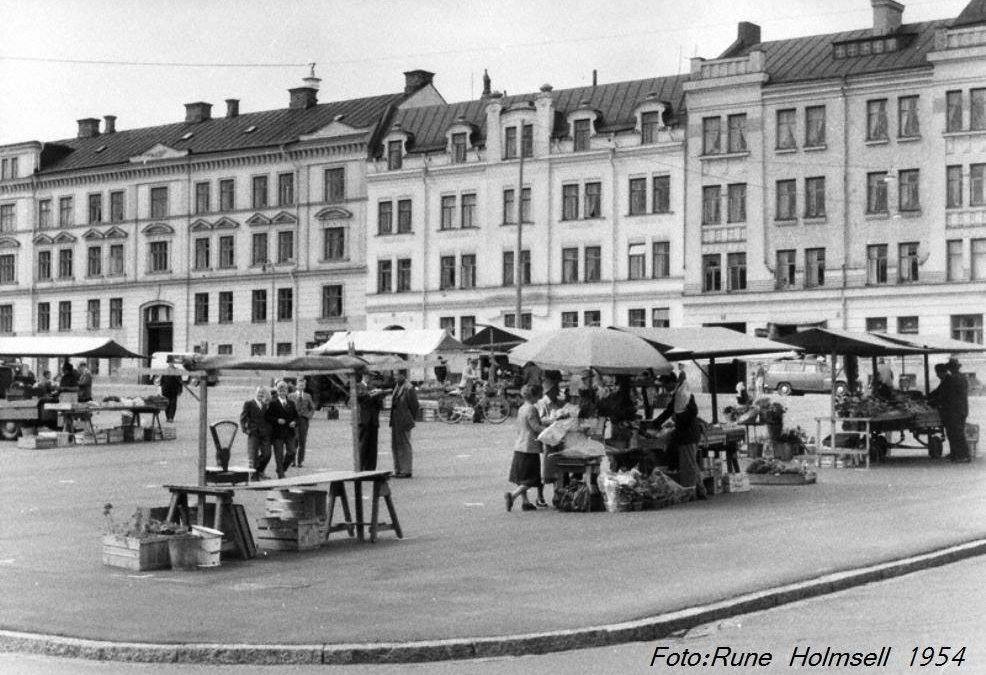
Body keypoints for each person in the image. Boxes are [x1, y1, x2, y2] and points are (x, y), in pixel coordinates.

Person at [653, 371, 708, 500]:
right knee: (691, 463)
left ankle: (693, 492)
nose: (664, 388)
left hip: (688, 434)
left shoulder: (684, 395)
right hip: (687, 434)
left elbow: (693, 412)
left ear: (672, 383)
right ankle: (700, 491)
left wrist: (678, 418)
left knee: (689, 465)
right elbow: (669, 411)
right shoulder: (678, 396)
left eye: (665, 384)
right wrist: (656, 423)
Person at [505, 384, 546, 512]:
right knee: (531, 478)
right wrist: (549, 431)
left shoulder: (522, 408)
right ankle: (513, 495)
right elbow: (536, 427)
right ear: (534, 395)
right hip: (530, 447)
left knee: (521, 477)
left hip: (519, 445)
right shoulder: (532, 409)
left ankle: (526, 501)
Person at [535, 374, 567, 508]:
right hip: (548, 438)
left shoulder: (560, 401)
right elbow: (540, 420)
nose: (556, 392)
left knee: (559, 465)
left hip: (559, 437)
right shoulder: (542, 403)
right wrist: (553, 420)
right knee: (546, 467)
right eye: (553, 390)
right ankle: (540, 495)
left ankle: (557, 493)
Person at [389, 369, 420, 478]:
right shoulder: (397, 386)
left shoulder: (408, 387)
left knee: (404, 445)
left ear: (402, 375)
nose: (394, 377)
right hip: (396, 420)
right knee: (395, 445)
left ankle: (406, 470)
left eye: (396, 375)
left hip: (404, 419)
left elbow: (415, 406)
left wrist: (410, 418)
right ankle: (398, 469)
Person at [265, 380, 298, 479]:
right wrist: (277, 420)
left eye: (284, 390)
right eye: (280, 391)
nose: (282, 393)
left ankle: (282, 468)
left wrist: (294, 422)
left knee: (292, 452)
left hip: (289, 433)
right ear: (278, 392)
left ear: (287, 391)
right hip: (277, 433)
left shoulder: (291, 403)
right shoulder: (273, 403)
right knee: (278, 455)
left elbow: (296, 416)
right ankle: (281, 474)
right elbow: (268, 417)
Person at [356, 371, 387, 471]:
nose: (370, 379)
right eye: (369, 376)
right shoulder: (358, 386)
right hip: (364, 419)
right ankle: (361, 466)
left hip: (373, 420)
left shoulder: (373, 388)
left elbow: (379, 403)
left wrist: (379, 395)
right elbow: (359, 398)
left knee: (373, 445)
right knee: (363, 444)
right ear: (365, 376)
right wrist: (371, 395)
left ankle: (371, 467)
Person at [240, 386, 272, 479]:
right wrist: (245, 429)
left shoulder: (265, 405)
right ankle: (253, 477)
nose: (260, 395)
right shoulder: (249, 403)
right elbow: (243, 417)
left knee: (267, 454)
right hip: (253, 433)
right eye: (259, 393)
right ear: (255, 393)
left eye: (262, 393)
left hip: (264, 433)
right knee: (253, 456)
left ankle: (260, 470)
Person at [290, 378, 315, 468]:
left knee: (302, 441)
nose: (301, 387)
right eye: (299, 385)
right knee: (293, 440)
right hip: (294, 420)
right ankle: (292, 460)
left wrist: (308, 416)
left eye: (303, 385)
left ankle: (300, 461)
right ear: (296, 386)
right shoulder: (291, 396)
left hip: (303, 421)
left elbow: (312, 408)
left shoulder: (307, 396)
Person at [159, 356, 183, 423]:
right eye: (169, 362)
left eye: (172, 362)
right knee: (167, 404)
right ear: (168, 363)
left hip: (174, 390)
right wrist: (161, 390)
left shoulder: (177, 371)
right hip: (166, 390)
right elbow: (161, 381)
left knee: (173, 404)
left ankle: (171, 418)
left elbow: (180, 381)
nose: (171, 363)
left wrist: (180, 390)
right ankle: (167, 417)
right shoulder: (165, 370)